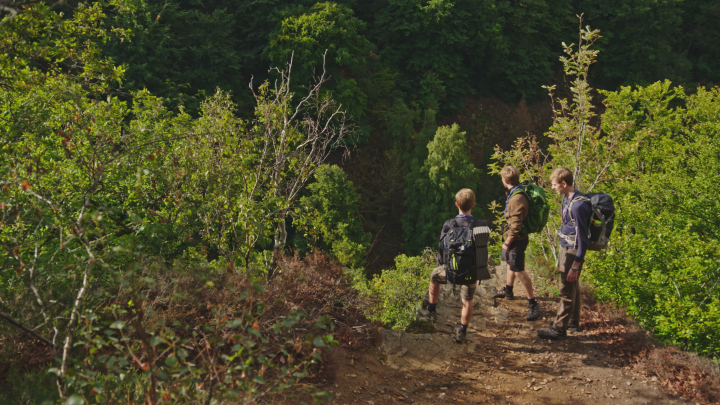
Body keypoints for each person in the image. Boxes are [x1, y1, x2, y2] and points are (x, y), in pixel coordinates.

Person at [417, 188, 488, 343]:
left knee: (434, 277)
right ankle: (462, 331)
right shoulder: (480, 224)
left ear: (456, 204)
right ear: (473, 204)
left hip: (451, 272)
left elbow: (442, 247)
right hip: (470, 272)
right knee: (467, 300)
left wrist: (443, 263)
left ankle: (431, 310)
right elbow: (483, 249)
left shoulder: (449, 224)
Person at [537, 167, 592, 340]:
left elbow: (583, 239)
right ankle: (573, 322)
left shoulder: (578, 206)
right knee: (572, 287)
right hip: (565, 247)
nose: (553, 187)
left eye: (554, 185)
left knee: (566, 288)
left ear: (564, 183)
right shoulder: (567, 197)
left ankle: (559, 329)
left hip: (573, 250)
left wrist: (576, 264)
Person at [493, 166, 540, 321]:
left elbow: (516, 226)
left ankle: (533, 303)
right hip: (515, 238)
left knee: (518, 270)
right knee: (509, 263)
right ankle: (508, 290)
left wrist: (507, 242)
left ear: (505, 180)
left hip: (517, 239)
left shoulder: (516, 198)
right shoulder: (516, 192)